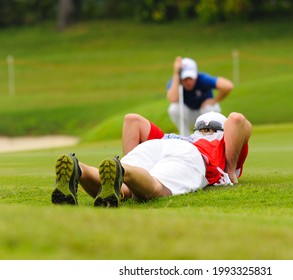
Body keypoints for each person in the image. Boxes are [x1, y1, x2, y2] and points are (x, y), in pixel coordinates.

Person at [51, 111, 251, 207]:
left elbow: (132, 120)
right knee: (156, 189)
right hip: (191, 156)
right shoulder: (222, 141)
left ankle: (80, 169)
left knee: (126, 192)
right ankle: (123, 171)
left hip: (156, 145)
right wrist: (231, 171)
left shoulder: (183, 136)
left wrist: (128, 159)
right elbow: (237, 119)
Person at [166, 56, 234, 136]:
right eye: (185, 79)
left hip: (205, 113)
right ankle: (185, 138)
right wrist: (176, 73)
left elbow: (227, 86)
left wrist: (214, 100)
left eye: (190, 78)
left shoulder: (202, 78)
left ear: (196, 75)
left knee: (209, 107)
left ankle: (209, 137)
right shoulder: (176, 81)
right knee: (173, 108)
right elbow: (173, 99)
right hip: (189, 115)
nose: (188, 82)